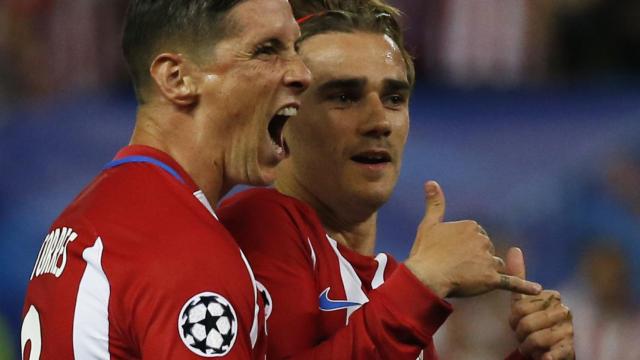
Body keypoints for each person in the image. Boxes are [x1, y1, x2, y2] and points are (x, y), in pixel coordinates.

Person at [218, 1, 574, 359]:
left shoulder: (390, 283)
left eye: (393, 98)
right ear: (283, 120)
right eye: (343, 96)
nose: (379, 121)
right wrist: (423, 285)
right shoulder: (261, 222)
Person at [20, 0, 310, 358]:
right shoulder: (181, 247)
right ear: (177, 78)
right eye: (266, 50)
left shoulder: (91, 218)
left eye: (295, 47)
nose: (302, 73)